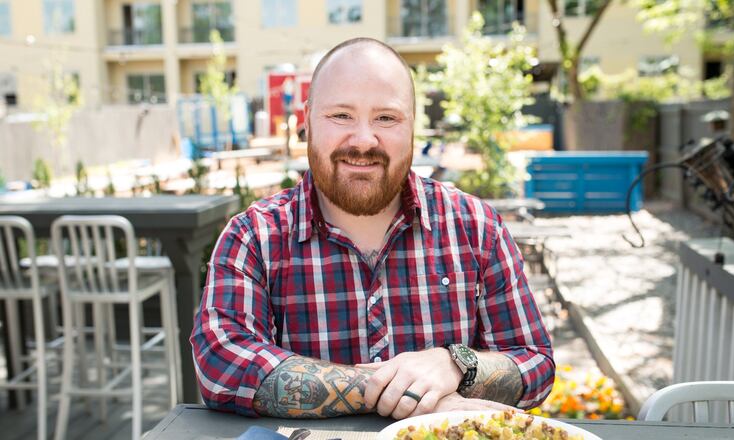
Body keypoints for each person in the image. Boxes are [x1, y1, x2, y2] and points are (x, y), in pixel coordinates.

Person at [191, 37, 554, 420]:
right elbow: (221, 363)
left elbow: (535, 365)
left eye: (386, 118)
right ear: (307, 120)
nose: (364, 140)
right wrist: (403, 392)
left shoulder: (477, 228)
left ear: (413, 124)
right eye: (341, 116)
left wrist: (455, 365)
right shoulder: (253, 237)